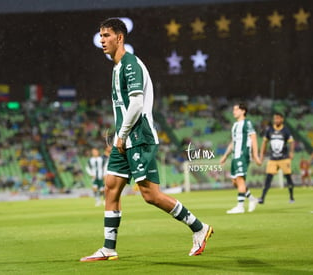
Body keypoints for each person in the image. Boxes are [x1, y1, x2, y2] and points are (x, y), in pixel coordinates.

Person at [80, 18, 213, 262]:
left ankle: (199, 228)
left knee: (150, 195)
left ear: (120, 38)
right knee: (111, 186)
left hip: (138, 137)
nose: (102, 40)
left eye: (106, 35)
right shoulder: (117, 67)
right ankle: (109, 248)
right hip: (125, 139)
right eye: (100, 36)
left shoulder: (130, 64)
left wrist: (120, 134)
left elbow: (137, 103)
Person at [220, 103, 261, 214]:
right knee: (235, 182)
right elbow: (233, 142)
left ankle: (240, 206)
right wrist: (225, 156)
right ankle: (252, 199)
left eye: (236, 109)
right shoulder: (234, 125)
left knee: (240, 179)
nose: (234, 112)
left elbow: (254, 138)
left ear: (243, 111)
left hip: (243, 154)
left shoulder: (247, 123)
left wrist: (255, 155)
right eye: (233, 110)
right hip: (235, 156)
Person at [258, 113, 295, 204]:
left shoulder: (286, 130)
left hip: (284, 158)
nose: (276, 120)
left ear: (282, 119)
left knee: (288, 177)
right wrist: (261, 155)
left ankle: (291, 197)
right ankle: (262, 198)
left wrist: (291, 152)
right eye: (275, 119)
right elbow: (264, 143)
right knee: (268, 178)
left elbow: (292, 142)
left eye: (278, 118)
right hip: (273, 158)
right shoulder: (269, 130)